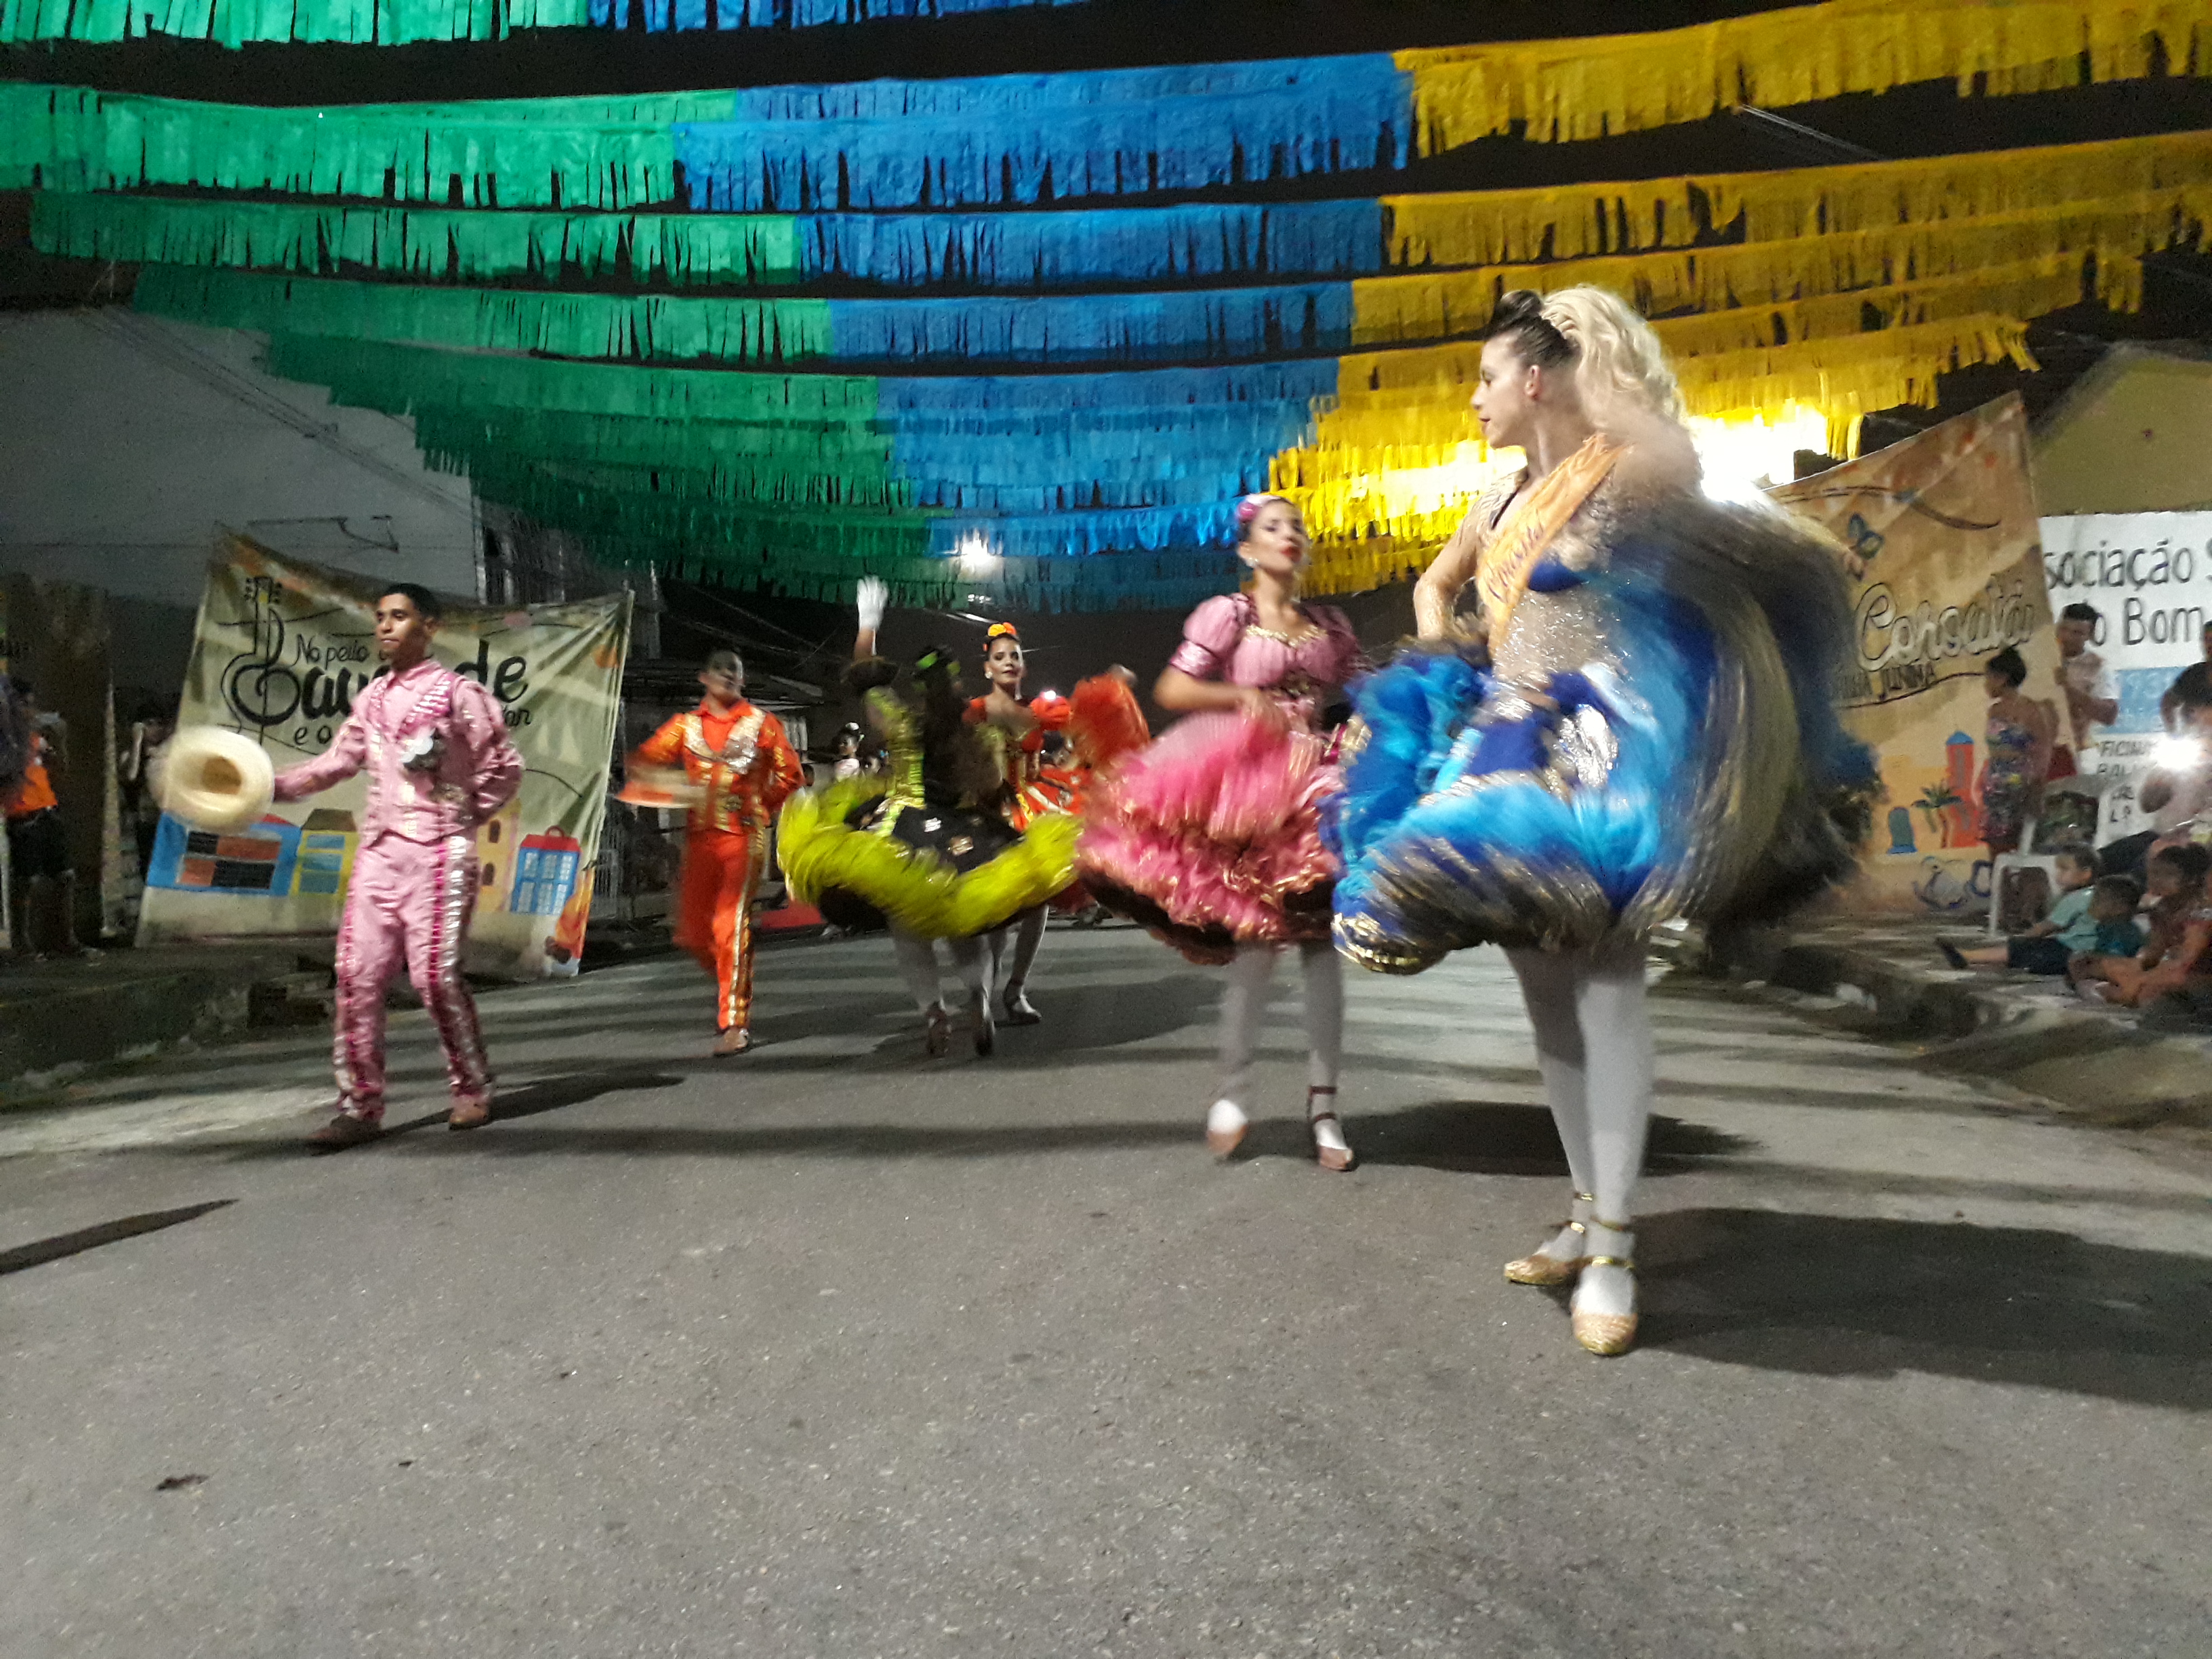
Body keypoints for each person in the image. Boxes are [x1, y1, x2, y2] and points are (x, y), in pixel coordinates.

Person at [1329, 287, 1870, 1356]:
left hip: (1608, 752)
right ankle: (1587, 1210)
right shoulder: (1498, 496)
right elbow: (1437, 586)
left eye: (1488, 376)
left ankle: (1618, 1245)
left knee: (1609, 986)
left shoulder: (1629, 472)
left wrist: (1790, 547)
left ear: (1538, 378)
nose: (1474, 398)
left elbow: (1711, 506)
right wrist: (1446, 654)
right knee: (1546, 998)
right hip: (1508, 751)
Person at [1077, 493, 1368, 1172]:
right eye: (1273, 527)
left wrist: (1366, 718)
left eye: (1297, 526)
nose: (1289, 535)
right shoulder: (1230, 616)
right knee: (1257, 948)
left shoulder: (1329, 625)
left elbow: (1367, 687)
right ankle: (1234, 1091)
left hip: (1318, 788)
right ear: (1247, 548)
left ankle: (1325, 1108)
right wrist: (1240, 696)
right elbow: (1174, 690)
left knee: (1323, 951)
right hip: (1248, 789)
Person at [777, 579, 1078, 1057]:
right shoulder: (977, 732)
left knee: (909, 929)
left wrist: (868, 624)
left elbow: (867, 680)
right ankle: (980, 998)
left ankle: (933, 1011)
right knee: (964, 926)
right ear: (957, 684)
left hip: (901, 834)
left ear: (918, 687)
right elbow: (994, 782)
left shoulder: (902, 723)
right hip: (962, 837)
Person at [270, 583, 523, 1150]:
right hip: (379, 856)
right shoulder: (372, 699)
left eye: (399, 616)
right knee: (355, 978)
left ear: (429, 627)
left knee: (434, 978)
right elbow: (336, 763)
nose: (385, 626)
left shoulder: (460, 694)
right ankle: (358, 1107)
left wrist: (464, 811)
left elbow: (505, 766)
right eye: (381, 617)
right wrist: (265, 785)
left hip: (438, 854)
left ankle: (471, 1086)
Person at [964, 621, 1147, 1026]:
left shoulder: (1040, 711)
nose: (1009, 662)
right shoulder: (975, 712)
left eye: (1015, 656)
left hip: (1036, 808)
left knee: (1037, 906)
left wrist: (1112, 687)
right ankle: (983, 994)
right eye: (1000, 657)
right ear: (987, 668)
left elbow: (1086, 719)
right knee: (996, 911)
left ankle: (1015, 991)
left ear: (1023, 665)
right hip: (991, 814)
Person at [629, 649, 804, 1057]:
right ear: (703, 678)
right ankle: (731, 978)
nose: (727, 676)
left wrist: (760, 804)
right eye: (720, 671)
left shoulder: (763, 724)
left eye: (734, 671)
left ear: (742, 681)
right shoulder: (684, 726)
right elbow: (646, 761)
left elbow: (790, 774)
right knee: (691, 933)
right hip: (699, 840)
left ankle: (735, 1021)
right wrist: (666, 785)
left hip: (743, 837)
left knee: (731, 924)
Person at [3, 679, 94, 960]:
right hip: (22, 814)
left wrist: (60, 740)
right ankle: (22, 943)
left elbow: (59, 766)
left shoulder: (34, 737)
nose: (31, 711)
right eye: (24, 704)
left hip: (47, 809)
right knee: (26, 879)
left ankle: (65, 939)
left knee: (65, 875)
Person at [2075, 843, 2211, 1010]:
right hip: (2166, 967)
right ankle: (2116, 991)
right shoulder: (2161, 909)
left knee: (2144, 989)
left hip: (2193, 974)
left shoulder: (2200, 912)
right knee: (2088, 964)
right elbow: (2153, 952)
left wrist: (2140, 977)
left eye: (2168, 874)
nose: (2157, 880)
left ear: (2192, 880)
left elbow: (2184, 962)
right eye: (2154, 873)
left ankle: (2120, 994)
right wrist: (2128, 965)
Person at [1939, 846, 2100, 972]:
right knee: (2026, 953)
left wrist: (2025, 937)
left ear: (2086, 873)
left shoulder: (2076, 898)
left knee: (2020, 948)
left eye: (2065, 869)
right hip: (2087, 952)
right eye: (2058, 869)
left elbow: (2046, 927)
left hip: (2070, 951)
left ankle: (1968, 956)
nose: (2058, 874)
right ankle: (1973, 958)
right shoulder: (2097, 893)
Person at [1976, 647, 2056, 857]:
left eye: (1989, 678)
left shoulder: (2031, 710)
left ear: (2002, 678)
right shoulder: (1994, 710)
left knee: (2023, 843)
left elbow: (2043, 750)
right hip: (1996, 783)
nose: (1986, 684)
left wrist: (2037, 787)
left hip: (2021, 783)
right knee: (1995, 843)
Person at [2051, 602, 2116, 777]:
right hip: (2039, 750)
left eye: (2077, 633)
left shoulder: (2098, 667)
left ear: (2090, 635)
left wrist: (2068, 689)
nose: (2067, 637)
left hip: (2078, 752)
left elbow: (2109, 715)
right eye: (2064, 629)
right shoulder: (2040, 660)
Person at [2158, 619, 2212, 733]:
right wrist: (2173, 732)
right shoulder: (2193, 675)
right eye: (2207, 640)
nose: (2210, 645)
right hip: (2198, 739)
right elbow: (2168, 702)